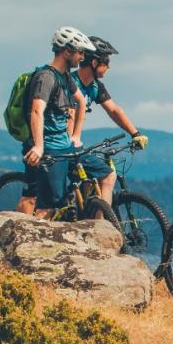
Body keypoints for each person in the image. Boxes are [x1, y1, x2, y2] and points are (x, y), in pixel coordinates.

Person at [22, 27, 114, 217]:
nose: (82, 57)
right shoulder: (46, 77)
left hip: (66, 148)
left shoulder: (63, 76)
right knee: (48, 208)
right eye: (80, 52)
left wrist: (76, 135)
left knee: (106, 173)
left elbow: (80, 101)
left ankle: (99, 229)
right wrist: (39, 146)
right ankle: (29, 243)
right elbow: (36, 110)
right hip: (50, 151)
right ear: (67, 51)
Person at [72, 36, 149, 204]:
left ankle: (88, 218)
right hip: (64, 146)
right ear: (94, 63)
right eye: (106, 61)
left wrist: (135, 133)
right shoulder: (71, 84)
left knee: (89, 181)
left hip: (74, 145)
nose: (109, 66)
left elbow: (114, 110)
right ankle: (101, 227)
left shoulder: (95, 86)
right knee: (108, 175)